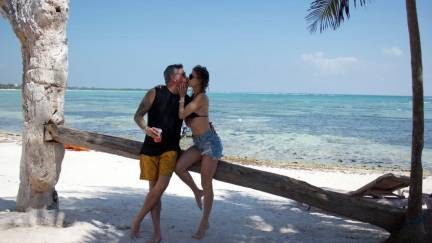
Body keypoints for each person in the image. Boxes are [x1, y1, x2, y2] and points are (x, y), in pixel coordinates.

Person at [131, 64, 187, 243]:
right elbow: (138, 116)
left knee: (159, 189)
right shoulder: (155, 92)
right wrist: (146, 129)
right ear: (173, 77)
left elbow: (197, 117)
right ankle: (157, 233)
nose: (185, 76)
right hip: (149, 149)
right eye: (182, 74)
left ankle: (137, 220)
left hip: (170, 150)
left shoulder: (184, 98)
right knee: (154, 192)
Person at [175, 65, 223, 240]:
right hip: (199, 143)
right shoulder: (193, 97)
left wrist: (181, 97)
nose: (188, 78)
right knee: (179, 167)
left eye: (192, 76)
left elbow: (181, 115)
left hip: (210, 144)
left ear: (200, 81)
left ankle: (204, 223)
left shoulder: (202, 97)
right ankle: (196, 191)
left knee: (207, 184)